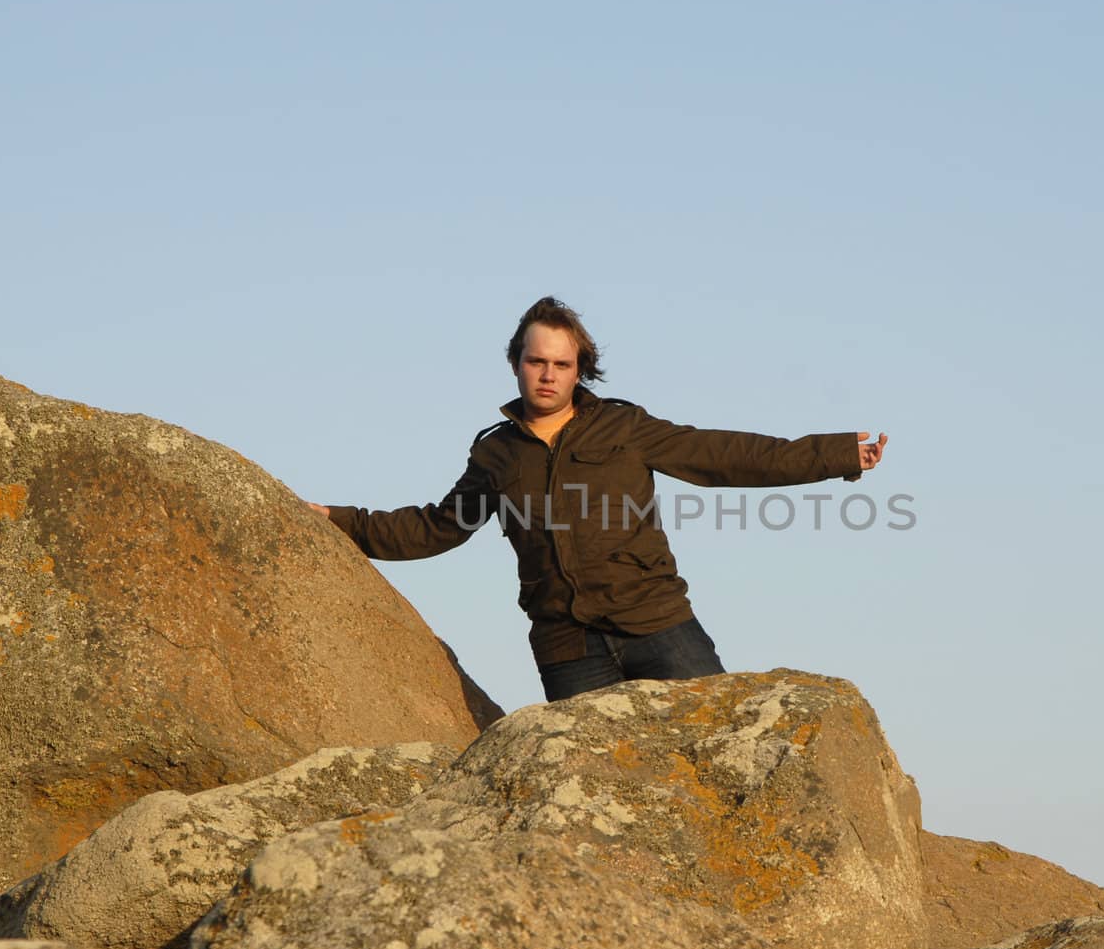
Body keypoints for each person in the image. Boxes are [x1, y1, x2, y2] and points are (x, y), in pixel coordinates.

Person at [309, 296, 886, 701]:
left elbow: (728, 455)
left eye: (562, 364)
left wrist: (834, 455)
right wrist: (336, 521)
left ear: (580, 369)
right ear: (516, 364)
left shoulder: (623, 427)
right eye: (537, 361)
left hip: (661, 630)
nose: (548, 375)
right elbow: (434, 529)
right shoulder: (496, 456)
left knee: (715, 769)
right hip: (568, 651)